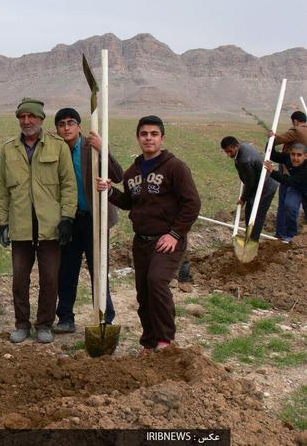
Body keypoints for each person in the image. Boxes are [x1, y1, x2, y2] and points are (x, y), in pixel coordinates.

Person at [97, 116, 200, 354]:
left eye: (154, 134)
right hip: (141, 241)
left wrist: (174, 234)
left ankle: (165, 340)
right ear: (138, 138)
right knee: (143, 292)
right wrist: (110, 190)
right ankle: (149, 341)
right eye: (144, 134)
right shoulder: (133, 171)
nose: (149, 138)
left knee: (156, 282)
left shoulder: (175, 167)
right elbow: (128, 202)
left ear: (162, 138)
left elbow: (192, 204)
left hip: (166, 239)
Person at [0, 98, 77, 344]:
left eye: (31, 116)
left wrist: (67, 218)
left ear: (41, 119)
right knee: (19, 279)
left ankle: (44, 324)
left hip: (50, 226)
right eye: (22, 117)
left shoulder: (58, 146)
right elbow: (2, 189)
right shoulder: (9, 148)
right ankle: (22, 324)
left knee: (50, 278)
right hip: (20, 226)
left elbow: (69, 185)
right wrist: (3, 222)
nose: (26, 121)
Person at [53, 107, 123, 333]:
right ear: (56, 129)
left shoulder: (92, 146)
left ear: (79, 126)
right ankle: (65, 317)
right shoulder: (55, 150)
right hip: (70, 220)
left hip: (96, 218)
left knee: (99, 270)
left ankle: (105, 317)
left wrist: (103, 150)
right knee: (67, 270)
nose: (66, 127)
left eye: (70, 122)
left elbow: (118, 175)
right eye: (61, 124)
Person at [220, 136, 277, 240]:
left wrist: (243, 199)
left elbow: (250, 183)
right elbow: (250, 181)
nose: (228, 155)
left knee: (257, 214)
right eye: (226, 152)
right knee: (250, 210)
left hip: (266, 186)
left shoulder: (244, 160)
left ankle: (252, 240)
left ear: (236, 146)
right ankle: (249, 236)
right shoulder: (243, 147)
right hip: (257, 183)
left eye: (230, 151)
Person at [263, 143, 307, 242]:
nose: (295, 158)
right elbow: (272, 155)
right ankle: (292, 234)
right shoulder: (287, 158)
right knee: (289, 205)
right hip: (297, 188)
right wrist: (272, 140)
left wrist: (272, 172)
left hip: (301, 186)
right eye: (293, 154)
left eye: (299, 155)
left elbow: (289, 181)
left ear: (306, 156)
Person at [270, 111, 307, 225]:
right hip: (298, 173)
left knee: (286, 202)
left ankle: (283, 232)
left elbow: (278, 140)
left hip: (292, 171)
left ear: (295, 121)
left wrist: (271, 138)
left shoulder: (296, 130)